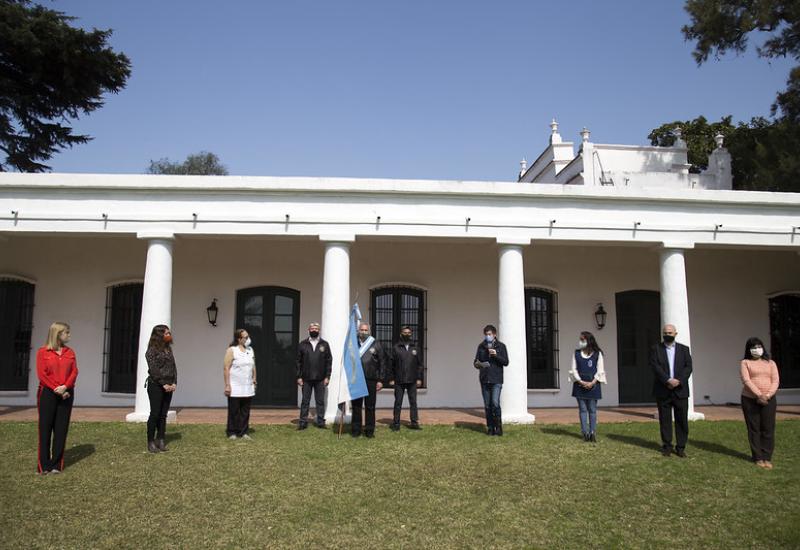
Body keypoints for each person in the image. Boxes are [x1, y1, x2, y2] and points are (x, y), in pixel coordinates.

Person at [36, 322, 78, 474]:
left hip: (66, 393)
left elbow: (74, 372)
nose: (69, 335)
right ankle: (43, 466)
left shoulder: (70, 352)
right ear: (58, 334)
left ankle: (56, 465)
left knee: (61, 430)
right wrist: (58, 389)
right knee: (45, 429)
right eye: (67, 332)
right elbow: (42, 374)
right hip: (48, 393)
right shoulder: (43, 352)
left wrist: (65, 387)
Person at [650, 324, 693, 457]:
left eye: (670, 332)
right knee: (665, 419)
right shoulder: (656, 349)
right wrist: (668, 380)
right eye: (665, 333)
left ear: (675, 334)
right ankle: (667, 446)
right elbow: (655, 366)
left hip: (680, 390)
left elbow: (688, 367)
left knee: (682, 420)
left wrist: (678, 380)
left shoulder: (684, 349)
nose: (667, 335)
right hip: (663, 389)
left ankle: (681, 447)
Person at [740, 337, 780, 469]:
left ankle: (767, 457)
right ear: (749, 350)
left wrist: (767, 395)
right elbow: (746, 380)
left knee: (768, 428)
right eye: (753, 347)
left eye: (759, 346)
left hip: (769, 399)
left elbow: (775, 381)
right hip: (750, 399)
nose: (757, 349)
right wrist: (759, 395)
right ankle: (757, 457)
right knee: (754, 428)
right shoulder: (745, 363)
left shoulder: (771, 363)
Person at [568, 331, 606, 442]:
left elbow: (600, 370)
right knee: (583, 410)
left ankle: (592, 432)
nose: (580, 342)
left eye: (582, 340)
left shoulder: (597, 354)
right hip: (579, 385)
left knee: (592, 409)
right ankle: (584, 432)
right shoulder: (576, 353)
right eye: (580, 339)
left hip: (593, 385)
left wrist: (592, 382)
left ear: (588, 341)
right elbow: (574, 369)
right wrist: (581, 381)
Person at [145, 325, 177, 453]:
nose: (169, 335)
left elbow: (173, 367)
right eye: (166, 333)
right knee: (155, 414)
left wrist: (174, 382)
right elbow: (154, 370)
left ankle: (161, 439)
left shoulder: (168, 349)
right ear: (159, 335)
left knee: (163, 414)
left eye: (169, 333)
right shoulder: (151, 351)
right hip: (156, 386)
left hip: (169, 386)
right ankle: (150, 441)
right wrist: (163, 383)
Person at [351, 322, 386, 438]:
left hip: (371, 379)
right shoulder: (352, 343)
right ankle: (356, 430)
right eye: (362, 330)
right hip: (356, 379)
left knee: (370, 406)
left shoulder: (375, 343)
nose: (364, 332)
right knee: (356, 406)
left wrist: (380, 380)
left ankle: (369, 430)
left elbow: (382, 362)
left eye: (366, 330)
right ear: (358, 331)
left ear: (369, 331)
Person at [473, 324, 508, 436]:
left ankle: (498, 427)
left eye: (489, 334)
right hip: (485, 379)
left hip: (496, 379)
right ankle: (490, 427)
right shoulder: (481, 346)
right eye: (486, 334)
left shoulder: (501, 346)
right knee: (487, 405)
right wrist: (479, 364)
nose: (487, 336)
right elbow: (476, 362)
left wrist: (496, 355)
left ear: (494, 334)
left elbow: (506, 362)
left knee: (495, 403)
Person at [296, 322, 332, 430]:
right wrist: (299, 377)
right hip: (306, 379)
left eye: (316, 328)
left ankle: (321, 422)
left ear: (319, 330)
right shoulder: (303, 344)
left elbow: (329, 361)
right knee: (305, 402)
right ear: (309, 330)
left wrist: (327, 376)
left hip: (320, 378)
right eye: (312, 328)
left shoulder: (324, 344)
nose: (314, 330)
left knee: (320, 401)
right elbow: (298, 362)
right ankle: (303, 422)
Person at [224, 329, 256, 440]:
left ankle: (243, 432)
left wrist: (254, 378)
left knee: (245, 411)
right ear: (239, 339)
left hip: (247, 386)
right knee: (234, 411)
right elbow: (226, 368)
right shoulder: (232, 350)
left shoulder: (250, 350)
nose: (248, 339)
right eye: (245, 337)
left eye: (248, 336)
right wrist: (227, 385)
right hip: (235, 387)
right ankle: (232, 432)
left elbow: (253, 366)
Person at [389, 326, 424, 431]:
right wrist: (391, 378)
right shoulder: (396, 348)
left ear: (411, 334)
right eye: (405, 332)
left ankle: (414, 423)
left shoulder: (415, 348)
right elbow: (391, 364)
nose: (407, 334)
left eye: (409, 333)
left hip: (412, 380)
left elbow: (420, 365)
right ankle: (396, 423)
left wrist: (419, 378)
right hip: (399, 380)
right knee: (398, 402)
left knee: (413, 402)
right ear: (401, 334)